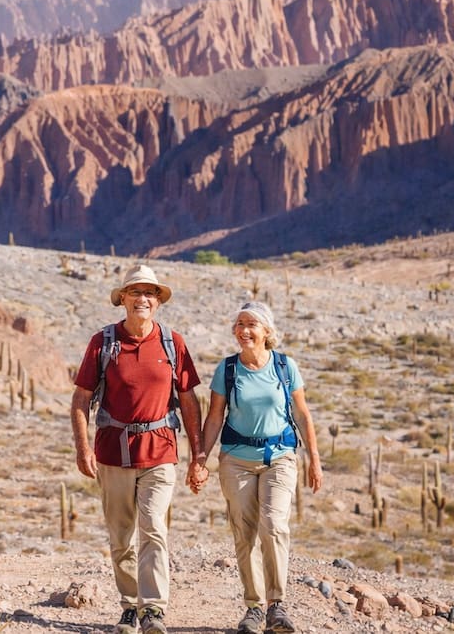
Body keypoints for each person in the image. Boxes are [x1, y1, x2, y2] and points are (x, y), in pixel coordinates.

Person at [70, 265, 205, 634]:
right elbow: (81, 398)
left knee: (154, 529)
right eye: (136, 292)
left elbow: (189, 400)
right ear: (123, 299)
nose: (143, 299)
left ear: (158, 302)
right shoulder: (103, 342)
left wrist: (198, 454)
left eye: (150, 293)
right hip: (112, 453)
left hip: (160, 450)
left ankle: (153, 609)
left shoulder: (172, 343)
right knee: (121, 535)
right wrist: (83, 448)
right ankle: (129, 606)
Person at [188, 302, 323, 634]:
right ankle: (253, 608)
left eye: (251, 324)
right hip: (236, 460)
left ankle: (277, 605)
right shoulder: (228, 369)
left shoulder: (285, 366)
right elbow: (215, 416)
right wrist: (200, 459)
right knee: (244, 532)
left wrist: (315, 461)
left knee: (274, 525)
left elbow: (303, 414)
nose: (244, 330)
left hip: (280, 457)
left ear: (266, 331)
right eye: (239, 324)